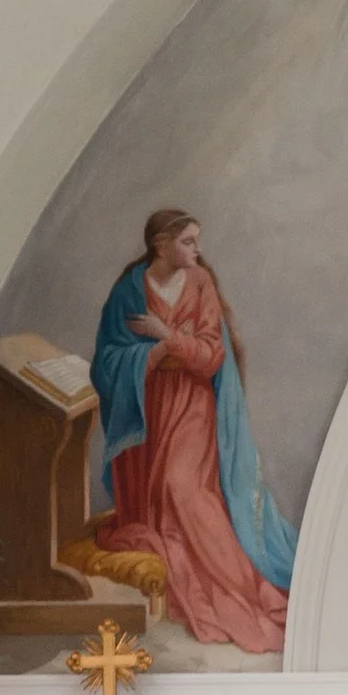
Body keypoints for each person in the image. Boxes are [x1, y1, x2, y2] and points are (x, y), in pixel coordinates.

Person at [88, 208, 298, 653]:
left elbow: (211, 357)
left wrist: (166, 339)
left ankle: (238, 587)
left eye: (196, 241)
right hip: (148, 411)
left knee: (183, 487)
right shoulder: (128, 291)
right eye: (188, 241)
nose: (197, 250)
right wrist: (149, 357)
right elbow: (105, 362)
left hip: (194, 406)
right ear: (161, 245)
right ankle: (199, 581)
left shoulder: (200, 283)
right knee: (163, 502)